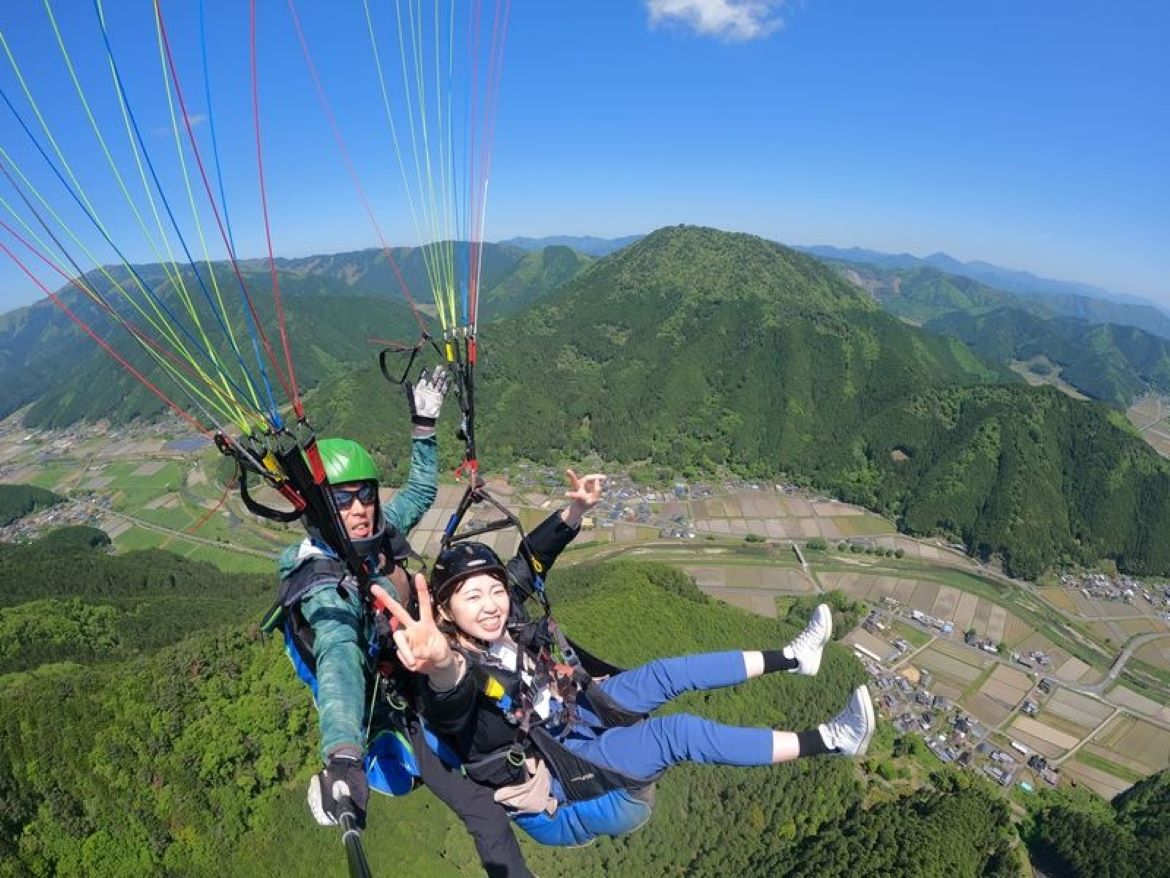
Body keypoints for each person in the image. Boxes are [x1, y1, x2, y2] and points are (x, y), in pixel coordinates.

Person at [380, 477, 877, 848]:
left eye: (494, 591)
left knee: (665, 674)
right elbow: (451, 697)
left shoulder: (499, 621)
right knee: (676, 734)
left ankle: (794, 657)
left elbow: (530, 562)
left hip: (572, 724)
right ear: (444, 611)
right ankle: (833, 740)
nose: (492, 604)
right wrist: (440, 661)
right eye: (473, 597)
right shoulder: (453, 677)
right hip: (568, 794)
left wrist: (573, 512)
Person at [267, 367, 539, 877]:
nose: (360, 508)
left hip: (422, 657)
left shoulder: (376, 537)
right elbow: (339, 658)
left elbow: (417, 490)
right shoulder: (326, 584)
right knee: (474, 799)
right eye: (342, 499)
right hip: (395, 701)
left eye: (365, 493)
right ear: (319, 508)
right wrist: (343, 756)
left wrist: (423, 425)